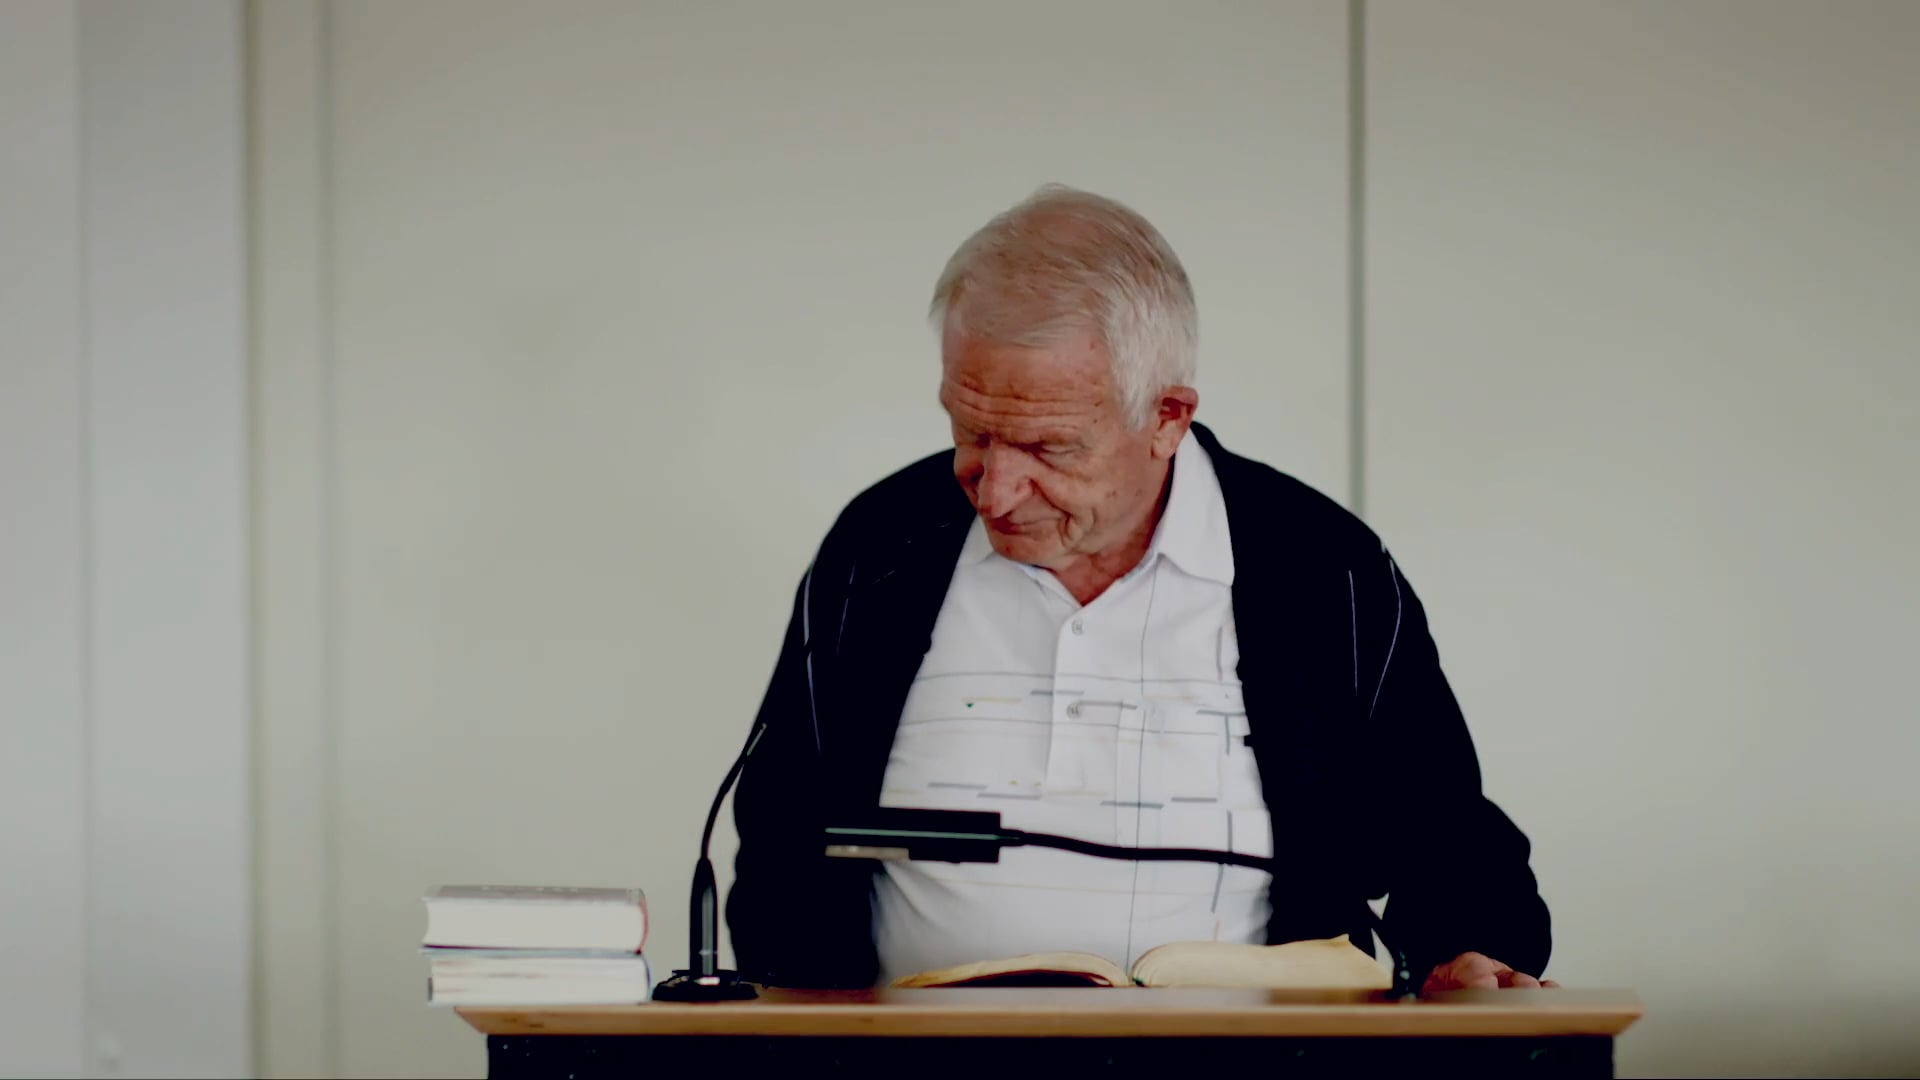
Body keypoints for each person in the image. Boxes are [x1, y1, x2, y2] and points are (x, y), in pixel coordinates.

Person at [727, 185, 1552, 993]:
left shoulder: (1322, 568)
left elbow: (1453, 845)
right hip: (908, 1063)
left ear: (1167, 418)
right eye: (971, 431)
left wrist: (1465, 954)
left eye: (1048, 448)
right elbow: (779, 833)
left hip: (1253, 1064)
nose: (995, 492)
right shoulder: (880, 548)